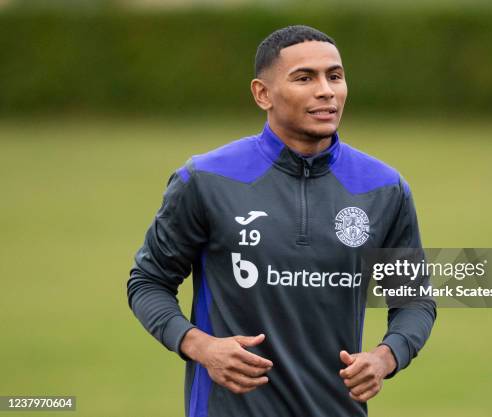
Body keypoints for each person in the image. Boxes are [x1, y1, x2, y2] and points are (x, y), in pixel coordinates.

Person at [127, 25, 436, 417]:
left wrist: (385, 356)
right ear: (263, 94)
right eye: (305, 78)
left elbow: (414, 300)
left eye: (335, 76)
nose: (326, 90)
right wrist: (200, 346)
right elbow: (148, 281)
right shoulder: (206, 180)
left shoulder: (384, 188)